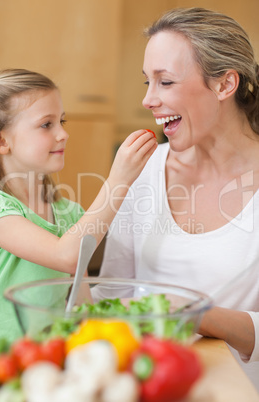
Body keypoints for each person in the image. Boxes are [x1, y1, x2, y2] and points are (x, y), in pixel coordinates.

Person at [95, 7, 259, 389]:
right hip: (145, 385)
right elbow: (113, 292)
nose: (148, 100)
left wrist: (195, 314)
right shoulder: (145, 167)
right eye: (147, 82)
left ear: (224, 85)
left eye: (165, 82)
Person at [0, 68, 157, 348]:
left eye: (61, 121)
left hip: (46, 365)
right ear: (2, 141)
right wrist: (118, 180)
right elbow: (66, 256)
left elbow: (82, 308)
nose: (63, 134)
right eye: (47, 124)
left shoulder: (70, 213)